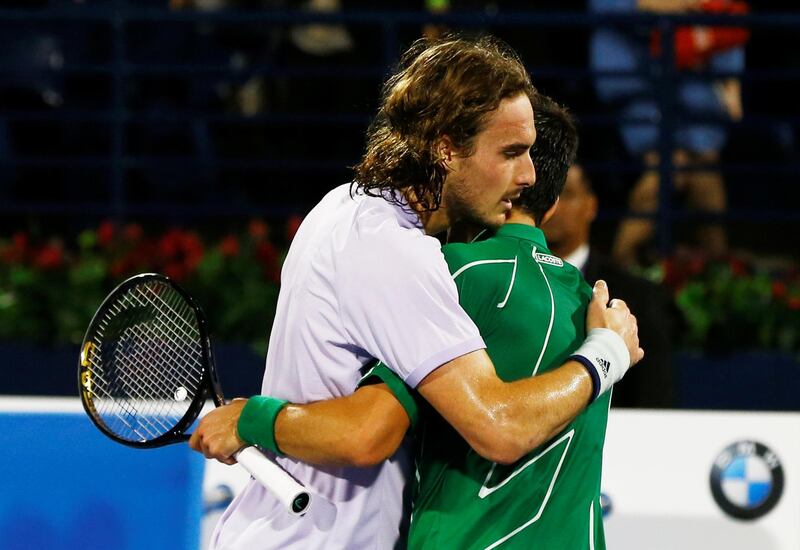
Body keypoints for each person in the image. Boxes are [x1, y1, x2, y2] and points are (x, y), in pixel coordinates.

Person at [190, 36, 643, 550]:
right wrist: (606, 354)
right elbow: (495, 427)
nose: (529, 175)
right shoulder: (394, 250)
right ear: (447, 148)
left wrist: (254, 420)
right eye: (511, 152)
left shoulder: (347, 209)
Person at [589, 0, 748, 267]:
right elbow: (603, 6)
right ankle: (620, 263)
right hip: (640, 91)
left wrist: (729, 85)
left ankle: (718, 274)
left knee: (704, 175)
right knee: (670, 170)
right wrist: (654, 5)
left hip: (692, 93)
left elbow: (726, 19)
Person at [543, 163, 677, 407]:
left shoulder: (637, 296)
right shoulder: (505, 281)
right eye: (547, 194)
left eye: (568, 195)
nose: (554, 207)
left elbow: (654, 397)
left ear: (591, 206)